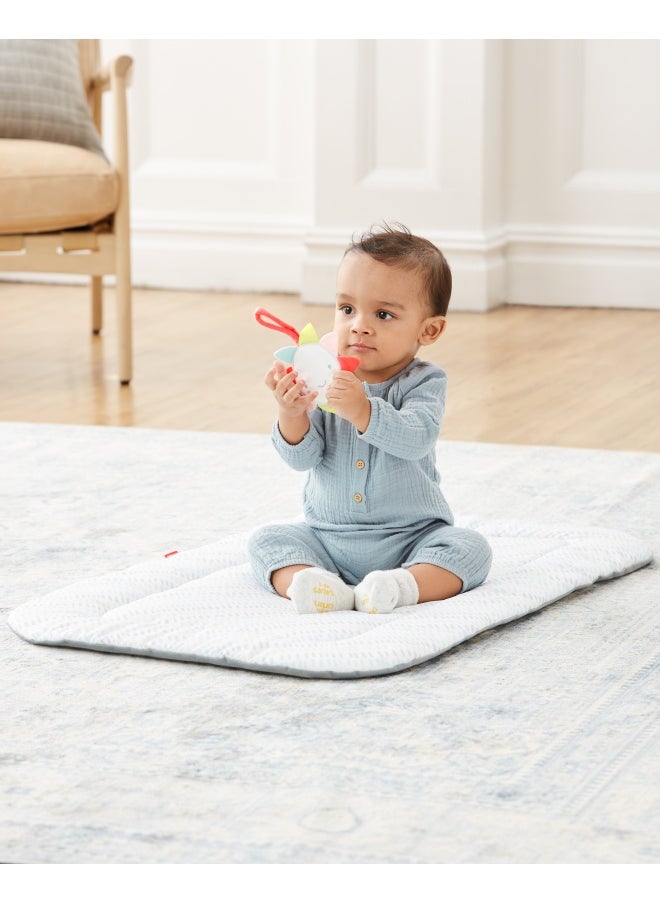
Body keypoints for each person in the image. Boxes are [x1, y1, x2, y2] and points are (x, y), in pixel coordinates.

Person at [248, 223, 492, 614]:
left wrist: (362, 409)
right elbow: (302, 459)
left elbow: (416, 438)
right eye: (347, 309)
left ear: (428, 330)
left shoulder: (425, 381)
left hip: (412, 539)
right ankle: (315, 585)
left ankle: (400, 585)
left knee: (470, 550)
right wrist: (290, 412)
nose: (359, 324)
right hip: (326, 538)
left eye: (383, 314)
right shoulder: (325, 377)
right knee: (267, 541)